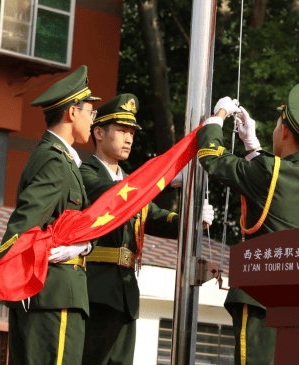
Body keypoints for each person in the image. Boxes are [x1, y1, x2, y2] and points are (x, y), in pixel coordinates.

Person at [0, 65, 101, 365]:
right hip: (52, 298)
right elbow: (24, 223)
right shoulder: (54, 162)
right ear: (72, 113)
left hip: (52, 296)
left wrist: (84, 245)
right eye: (90, 113)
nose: (92, 120)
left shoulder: (63, 159)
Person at [197, 84, 299, 365]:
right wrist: (252, 146)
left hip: (259, 298)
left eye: (276, 127)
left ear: (284, 131)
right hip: (295, 301)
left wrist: (217, 116)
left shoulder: (269, 172)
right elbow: (272, 181)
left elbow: (210, 158)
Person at [80, 93, 214, 365]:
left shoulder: (132, 185)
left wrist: (191, 220)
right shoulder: (86, 174)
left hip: (125, 293)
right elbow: (117, 197)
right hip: (96, 290)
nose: (129, 138)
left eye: (131, 132)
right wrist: (161, 179)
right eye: (121, 130)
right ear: (99, 133)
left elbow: (154, 216)